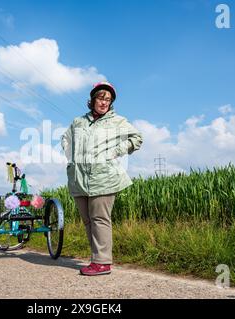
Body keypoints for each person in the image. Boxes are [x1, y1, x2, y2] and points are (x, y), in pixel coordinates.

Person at [61, 81, 143, 276]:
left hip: (104, 177)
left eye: (108, 99)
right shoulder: (78, 121)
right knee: (88, 220)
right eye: (101, 98)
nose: (104, 102)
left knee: (100, 218)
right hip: (79, 177)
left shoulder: (118, 121)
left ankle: (102, 262)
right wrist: (71, 156)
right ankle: (96, 258)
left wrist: (115, 151)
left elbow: (137, 138)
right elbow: (65, 138)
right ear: (92, 99)